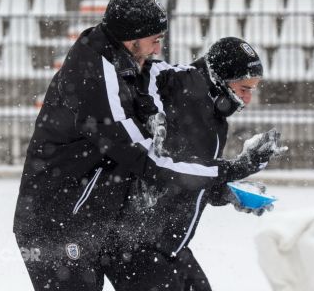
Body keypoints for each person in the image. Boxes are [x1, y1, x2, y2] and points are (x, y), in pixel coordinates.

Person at [13, 0, 282, 291]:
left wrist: (224, 190)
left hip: (102, 222)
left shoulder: (128, 64)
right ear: (133, 38)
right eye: (154, 41)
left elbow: (173, 85)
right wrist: (234, 168)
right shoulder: (97, 77)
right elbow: (147, 161)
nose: (157, 49)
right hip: (56, 225)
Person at [106, 37, 285, 290]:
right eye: (244, 88)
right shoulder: (177, 82)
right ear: (220, 78)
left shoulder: (217, 120)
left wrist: (228, 193)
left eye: (252, 90)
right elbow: (142, 70)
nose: (247, 99)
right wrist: (237, 167)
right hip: (136, 244)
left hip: (171, 246)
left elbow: (190, 177)